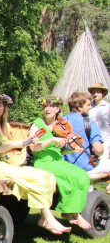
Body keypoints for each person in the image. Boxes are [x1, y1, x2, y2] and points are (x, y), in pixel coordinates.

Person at [0, 94, 67, 234]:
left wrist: (26, 143)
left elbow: (7, 151)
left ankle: (45, 217)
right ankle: (47, 218)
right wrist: (15, 144)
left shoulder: (5, 125)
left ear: (5, 108)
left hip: (5, 164)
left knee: (47, 176)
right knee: (36, 178)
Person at [29, 97, 92, 230]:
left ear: (57, 109)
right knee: (70, 177)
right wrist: (52, 140)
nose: (47, 109)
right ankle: (72, 213)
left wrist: (73, 149)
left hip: (58, 161)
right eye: (46, 106)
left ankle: (72, 211)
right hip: (43, 162)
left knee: (81, 176)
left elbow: (60, 151)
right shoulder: (37, 124)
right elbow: (33, 148)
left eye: (51, 106)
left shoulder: (61, 126)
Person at [63, 91, 110, 182]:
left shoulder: (61, 122)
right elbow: (99, 150)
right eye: (88, 105)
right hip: (85, 167)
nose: (91, 107)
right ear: (80, 107)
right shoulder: (89, 122)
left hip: (67, 167)